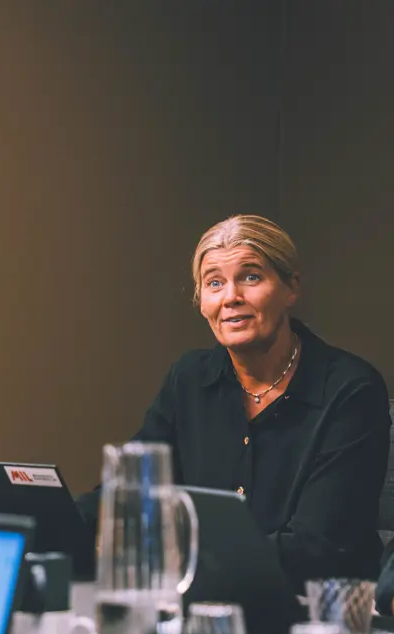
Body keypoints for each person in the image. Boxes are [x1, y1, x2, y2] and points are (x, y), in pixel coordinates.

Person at [77, 215, 390, 591]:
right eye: (214, 283)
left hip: (319, 618)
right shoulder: (189, 378)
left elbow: (318, 547)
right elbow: (130, 493)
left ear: (291, 288)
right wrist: (47, 520)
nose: (231, 297)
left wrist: (178, 563)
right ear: (202, 302)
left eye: (251, 277)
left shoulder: (351, 389)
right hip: (204, 604)